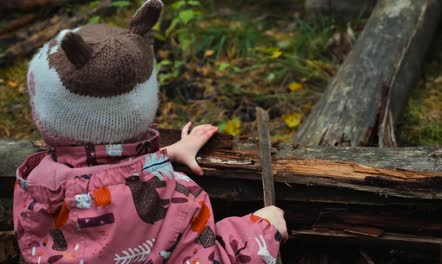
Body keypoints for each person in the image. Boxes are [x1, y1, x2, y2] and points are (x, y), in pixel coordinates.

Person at [13, 0, 287, 263]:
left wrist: (162, 155)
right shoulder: (176, 197)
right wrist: (262, 230)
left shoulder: (35, 190)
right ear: (144, 106)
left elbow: (97, 176)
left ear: (43, 118)